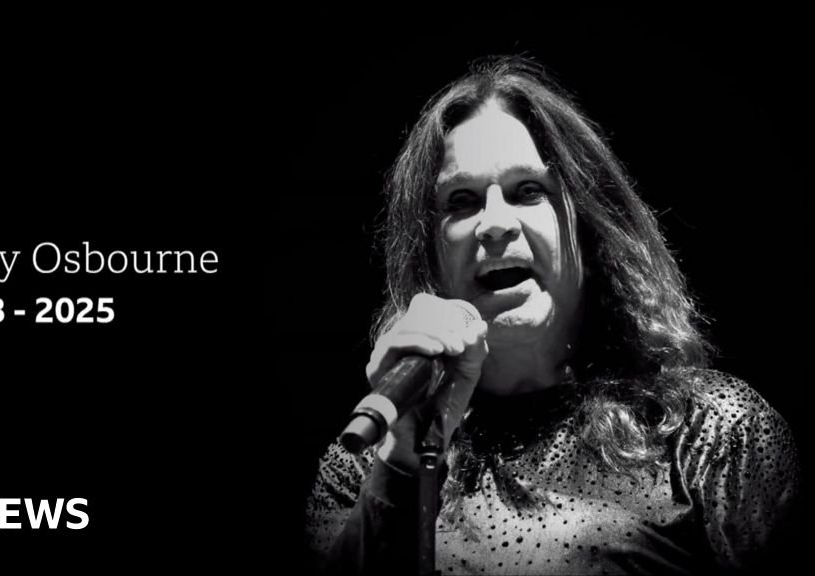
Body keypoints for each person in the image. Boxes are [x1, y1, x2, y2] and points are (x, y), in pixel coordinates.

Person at [304, 55, 799, 575]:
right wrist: (403, 463)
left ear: (589, 226)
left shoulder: (711, 429)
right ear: (430, 254)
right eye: (462, 201)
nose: (494, 224)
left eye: (528, 191)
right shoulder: (360, 464)